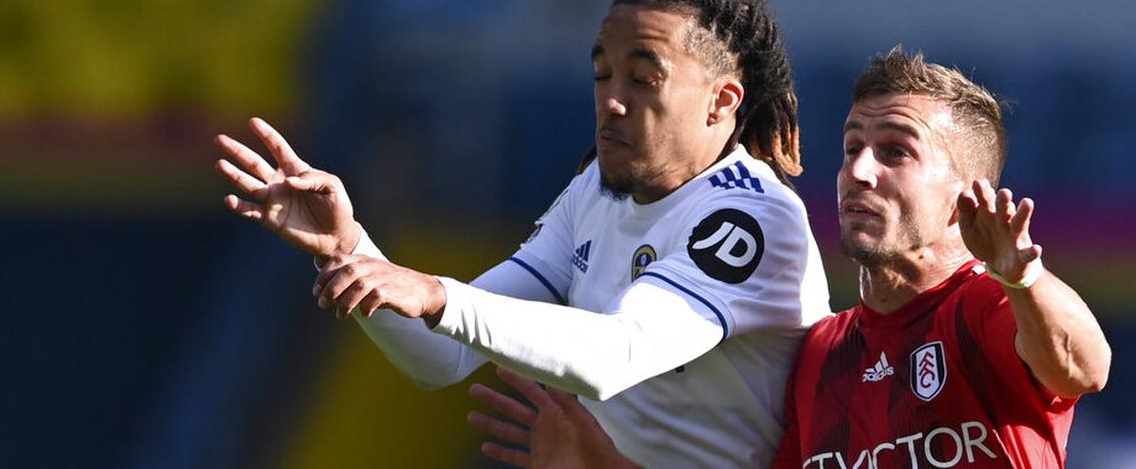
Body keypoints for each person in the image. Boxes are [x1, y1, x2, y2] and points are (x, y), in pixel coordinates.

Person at [215, 0, 832, 467]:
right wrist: (350, 249)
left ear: (721, 102)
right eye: (602, 74)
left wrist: (435, 293)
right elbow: (441, 358)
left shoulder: (751, 220)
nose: (611, 102)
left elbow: (615, 354)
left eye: (643, 80)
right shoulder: (595, 190)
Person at [470, 49, 1111, 468]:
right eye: (851, 146)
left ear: (959, 196)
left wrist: (1022, 277)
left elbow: (1085, 367)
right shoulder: (818, 355)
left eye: (895, 152)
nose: (858, 171)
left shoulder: (983, 306)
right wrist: (600, 462)